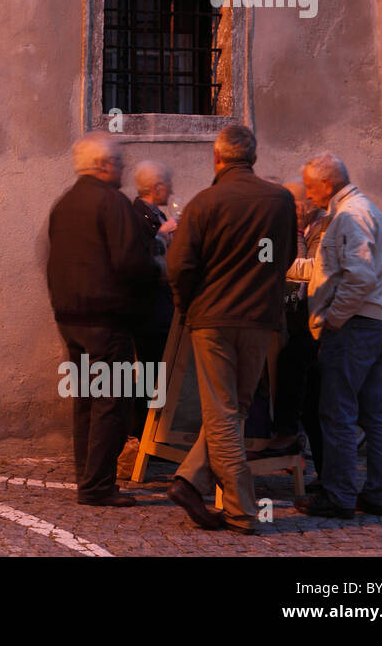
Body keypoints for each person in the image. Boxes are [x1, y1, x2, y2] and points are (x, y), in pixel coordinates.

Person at [164, 126, 297, 534]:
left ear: (217, 159)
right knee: (234, 409)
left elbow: (179, 265)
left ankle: (237, 509)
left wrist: (187, 307)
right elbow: (286, 256)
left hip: (213, 318)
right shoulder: (281, 200)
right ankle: (191, 482)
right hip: (259, 318)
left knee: (223, 412)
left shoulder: (205, 202)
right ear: (253, 158)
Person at [46, 132, 156, 506]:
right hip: (106, 321)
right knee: (112, 399)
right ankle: (98, 485)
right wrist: (156, 274)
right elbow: (131, 263)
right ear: (104, 165)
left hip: (71, 318)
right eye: (120, 161)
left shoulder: (65, 204)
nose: (123, 168)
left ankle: (86, 477)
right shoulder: (112, 203)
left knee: (86, 399)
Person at [292, 153, 382, 519]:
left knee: (337, 412)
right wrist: (277, 266)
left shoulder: (351, 214)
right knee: (373, 414)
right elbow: (326, 268)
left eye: (309, 185)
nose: (306, 193)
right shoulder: (353, 211)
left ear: (326, 183)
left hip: (355, 326)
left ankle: (338, 497)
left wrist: (334, 318)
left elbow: (359, 276)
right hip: (371, 323)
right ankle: (379, 494)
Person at [267, 181, 327, 482]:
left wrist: (279, 265)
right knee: (312, 401)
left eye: (290, 207)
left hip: (323, 323)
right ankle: (325, 475)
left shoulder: (321, 228)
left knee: (299, 374)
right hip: (313, 321)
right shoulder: (308, 229)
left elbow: (313, 271)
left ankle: (288, 437)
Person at [131, 161, 178, 436]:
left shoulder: (156, 214)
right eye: (168, 184)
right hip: (150, 309)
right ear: (156, 187)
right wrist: (162, 235)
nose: (171, 189)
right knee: (150, 371)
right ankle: (140, 434)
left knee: (160, 371)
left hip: (162, 305)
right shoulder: (138, 215)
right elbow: (143, 254)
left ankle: (154, 434)